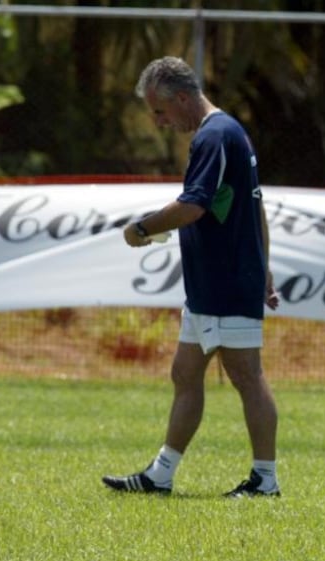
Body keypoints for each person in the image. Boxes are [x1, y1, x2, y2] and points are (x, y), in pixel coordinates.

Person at [103, 56, 281, 498]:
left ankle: (265, 479)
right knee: (185, 372)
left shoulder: (216, 136)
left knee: (246, 375)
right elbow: (254, 205)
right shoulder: (223, 133)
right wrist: (266, 266)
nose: (159, 122)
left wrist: (141, 228)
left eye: (160, 112)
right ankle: (160, 475)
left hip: (226, 281)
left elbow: (193, 206)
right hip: (214, 282)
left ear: (182, 98)